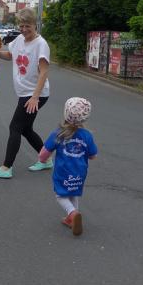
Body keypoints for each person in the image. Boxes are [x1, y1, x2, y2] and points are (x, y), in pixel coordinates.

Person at [0, 8, 51, 179]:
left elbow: (44, 72)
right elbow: (10, 55)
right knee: (26, 129)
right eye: (21, 26)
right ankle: (46, 160)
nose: (24, 29)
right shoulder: (20, 39)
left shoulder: (41, 44)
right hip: (26, 93)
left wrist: (35, 97)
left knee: (15, 127)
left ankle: (6, 168)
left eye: (27, 26)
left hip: (35, 94)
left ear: (35, 25)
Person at [37, 97, 97, 237]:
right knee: (73, 193)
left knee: (60, 195)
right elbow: (93, 156)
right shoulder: (87, 135)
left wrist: (43, 160)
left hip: (63, 171)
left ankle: (72, 213)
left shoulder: (58, 133)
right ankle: (73, 219)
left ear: (66, 113)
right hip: (80, 172)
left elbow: (44, 153)